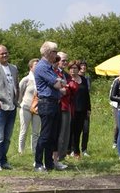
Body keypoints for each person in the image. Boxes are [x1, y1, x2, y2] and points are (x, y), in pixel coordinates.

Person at [32, 41, 67, 172]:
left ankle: (49, 162)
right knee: (45, 134)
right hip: (46, 103)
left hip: (54, 103)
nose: (56, 54)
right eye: (55, 52)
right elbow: (58, 84)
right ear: (48, 53)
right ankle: (38, 163)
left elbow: (60, 82)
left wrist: (60, 82)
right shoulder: (42, 67)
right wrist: (60, 82)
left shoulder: (50, 67)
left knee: (53, 135)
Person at [57, 60, 79, 166]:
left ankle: (62, 156)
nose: (65, 62)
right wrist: (67, 88)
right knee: (60, 133)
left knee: (66, 133)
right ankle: (57, 157)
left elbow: (73, 88)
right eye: (63, 60)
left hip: (68, 106)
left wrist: (68, 88)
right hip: (60, 106)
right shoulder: (56, 72)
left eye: (66, 60)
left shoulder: (66, 75)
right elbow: (62, 89)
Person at [17, 57, 40, 155]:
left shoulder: (40, 79)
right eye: (36, 65)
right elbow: (19, 92)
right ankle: (21, 151)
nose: (38, 67)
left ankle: (34, 151)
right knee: (24, 130)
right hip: (26, 107)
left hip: (37, 109)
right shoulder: (26, 79)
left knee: (36, 132)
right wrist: (20, 103)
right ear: (31, 67)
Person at [70, 60, 92, 157]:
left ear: (78, 69)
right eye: (71, 68)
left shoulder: (83, 79)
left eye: (75, 68)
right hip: (71, 109)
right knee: (71, 130)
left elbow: (87, 95)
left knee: (79, 130)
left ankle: (77, 150)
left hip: (82, 108)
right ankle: (70, 150)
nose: (73, 70)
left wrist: (88, 108)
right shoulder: (67, 79)